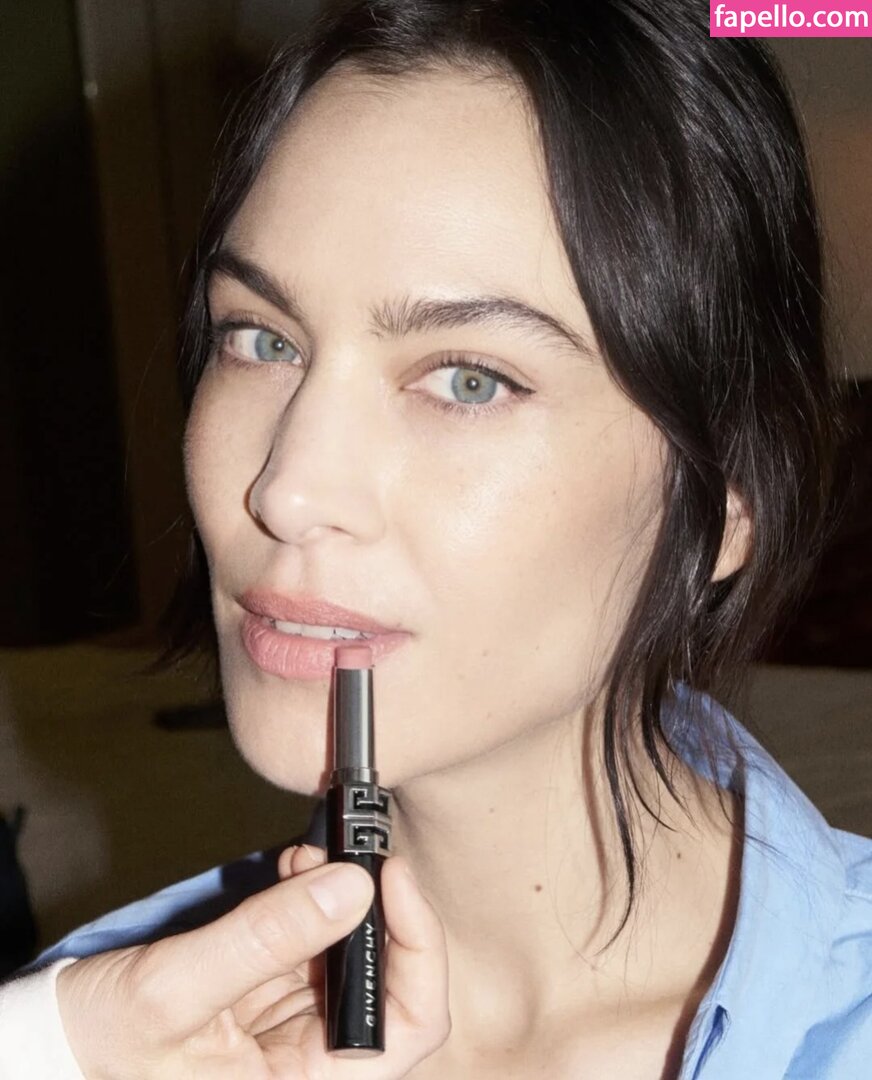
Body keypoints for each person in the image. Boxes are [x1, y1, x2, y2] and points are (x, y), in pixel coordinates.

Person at [1, 0, 869, 1075]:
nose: (288, 491)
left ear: (726, 499)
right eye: (260, 339)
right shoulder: (99, 1027)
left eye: (468, 380)